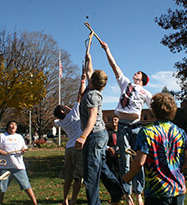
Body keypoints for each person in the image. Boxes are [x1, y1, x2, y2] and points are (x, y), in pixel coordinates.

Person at [100, 41, 152, 205]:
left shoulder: (146, 92)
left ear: (142, 78)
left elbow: (156, 108)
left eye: (138, 73)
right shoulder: (125, 83)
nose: (134, 73)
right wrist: (107, 49)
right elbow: (114, 65)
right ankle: (127, 192)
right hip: (122, 126)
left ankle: (138, 192)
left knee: (138, 160)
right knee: (125, 161)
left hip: (136, 126)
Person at [122, 93, 187, 205]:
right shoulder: (180, 132)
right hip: (178, 190)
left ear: (153, 109)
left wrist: (127, 177)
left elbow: (140, 161)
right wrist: (174, 169)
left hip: (157, 191)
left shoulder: (147, 132)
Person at [75, 51, 123, 205]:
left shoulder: (91, 95)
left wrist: (83, 136)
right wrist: (89, 58)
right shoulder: (93, 90)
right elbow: (90, 71)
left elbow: (92, 118)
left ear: (93, 81)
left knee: (91, 175)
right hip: (100, 135)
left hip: (94, 136)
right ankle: (117, 191)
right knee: (101, 167)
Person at [53, 71, 86, 205]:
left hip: (69, 149)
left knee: (68, 176)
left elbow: (55, 121)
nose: (68, 107)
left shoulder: (60, 122)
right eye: (65, 107)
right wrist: (82, 81)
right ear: (62, 111)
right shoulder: (73, 114)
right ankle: (73, 200)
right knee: (78, 176)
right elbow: (80, 96)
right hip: (78, 148)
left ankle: (65, 199)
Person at [0, 120, 37, 205]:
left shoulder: (19, 137)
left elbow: (24, 148)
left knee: (26, 186)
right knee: (1, 187)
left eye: (15, 125)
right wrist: (0, 151)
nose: (13, 127)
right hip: (5, 166)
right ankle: (0, 203)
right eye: (11, 125)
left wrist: (23, 150)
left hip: (18, 166)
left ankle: (35, 203)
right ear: (8, 127)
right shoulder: (2, 136)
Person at [106, 116, 120, 181]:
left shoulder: (121, 132)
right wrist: (108, 148)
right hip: (110, 157)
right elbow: (103, 144)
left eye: (115, 120)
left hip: (119, 157)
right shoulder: (107, 132)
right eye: (112, 120)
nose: (113, 121)